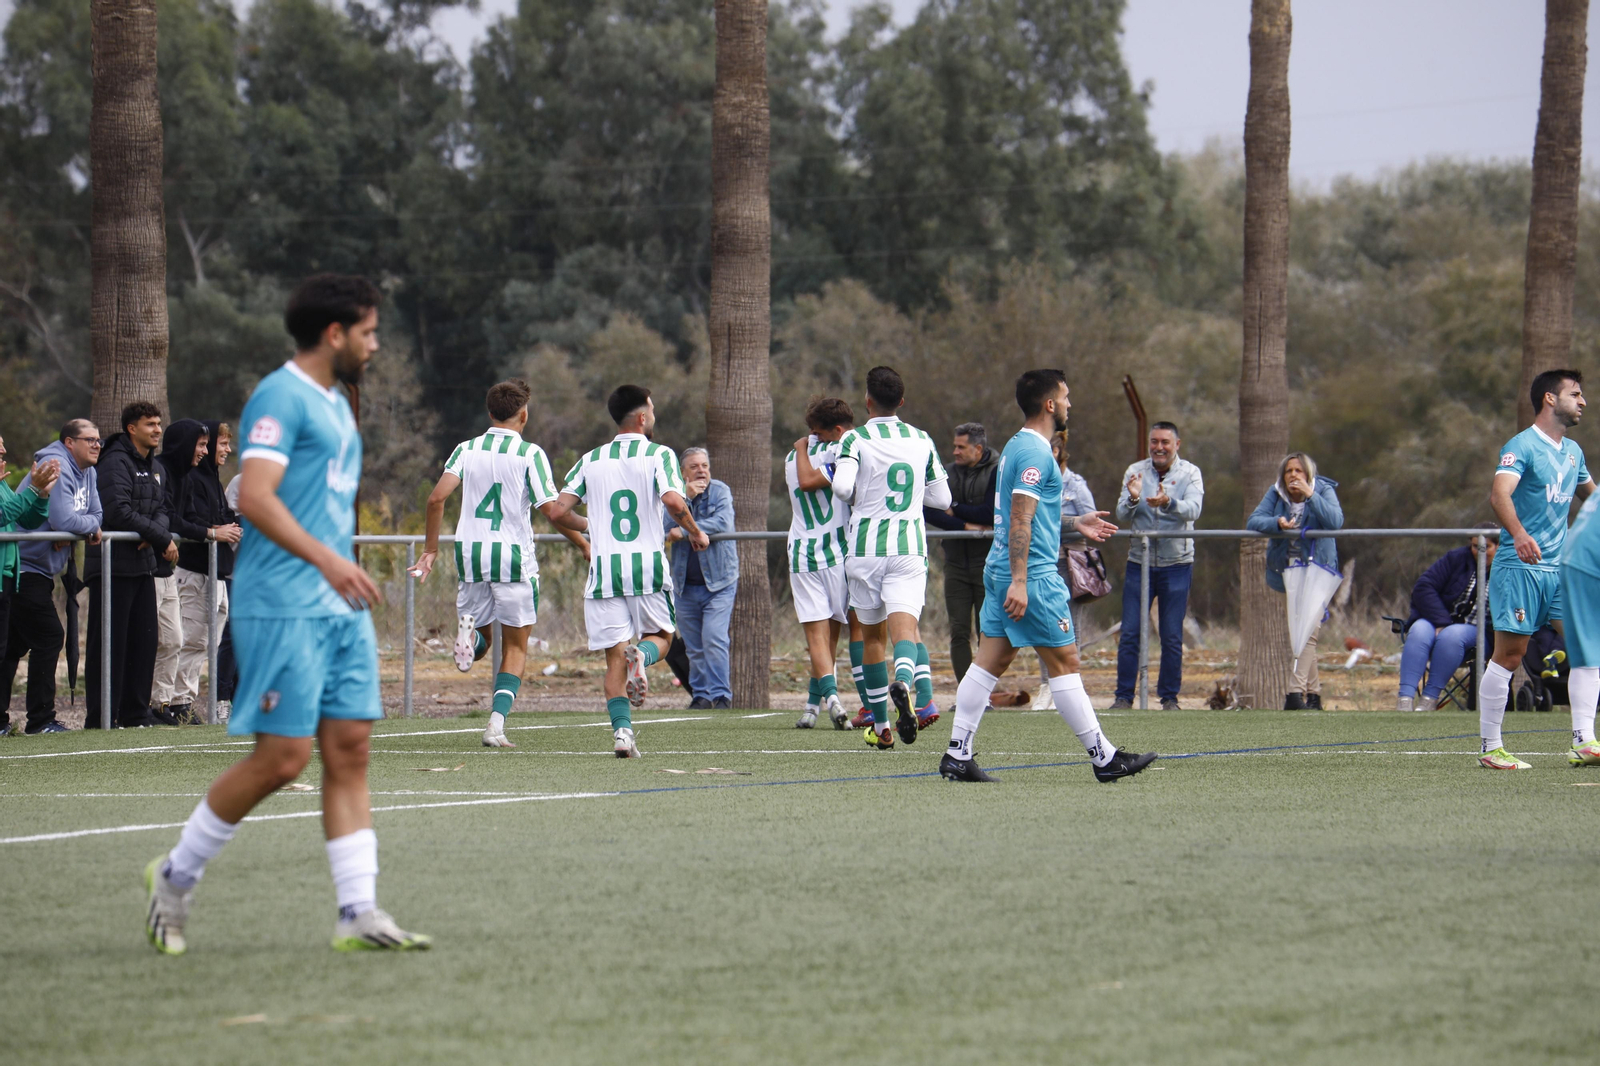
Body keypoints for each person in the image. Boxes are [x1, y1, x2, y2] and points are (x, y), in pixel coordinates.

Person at [143, 275, 430, 955]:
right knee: (282, 758)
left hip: (338, 608)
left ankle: (358, 912)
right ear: (335, 335)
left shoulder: (336, 402)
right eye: (369, 332)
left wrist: (340, 570)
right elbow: (261, 498)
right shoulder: (280, 395)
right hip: (284, 603)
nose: (375, 344)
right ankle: (174, 880)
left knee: (350, 749)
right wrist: (329, 561)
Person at [940, 369, 1156, 784]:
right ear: (1050, 404)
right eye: (1066, 396)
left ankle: (957, 754)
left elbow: (1029, 516)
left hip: (1000, 571)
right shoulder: (1037, 453)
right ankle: (1104, 758)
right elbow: (1020, 517)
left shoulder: (1016, 447)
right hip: (1033, 577)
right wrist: (1021, 582)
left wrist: (1076, 524)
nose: (1070, 404)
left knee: (990, 661)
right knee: (1066, 662)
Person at [414, 379, 589, 748]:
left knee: (485, 636)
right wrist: (586, 533)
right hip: (513, 560)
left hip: (471, 556)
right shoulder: (530, 454)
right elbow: (552, 511)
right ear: (523, 414)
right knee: (515, 647)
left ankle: (468, 636)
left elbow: (435, 499)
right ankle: (495, 725)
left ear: (490, 412)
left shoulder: (466, 449)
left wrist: (430, 550)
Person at [542, 385, 709, 758]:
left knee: (613, 658)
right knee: (663, 637)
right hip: (646, 567)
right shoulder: (659, 454)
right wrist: (696, 532)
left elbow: (556, 511)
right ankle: (644, 658)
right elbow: (671, 499)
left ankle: (622, 734)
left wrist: (590, 525)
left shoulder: (590, 459)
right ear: (643, 417)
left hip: (604, 573)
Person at [1477, 369, 1594, 770]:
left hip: (1559, 572)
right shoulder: (1521, 446)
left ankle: (1584, 740)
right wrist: (1520, 534)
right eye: (1575, 394)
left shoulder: (1574, 452)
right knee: (1510, 656)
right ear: (1549, 398)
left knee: (1588, 647)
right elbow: (1499, 495)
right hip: (1520, 567)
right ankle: (1490, 748)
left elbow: (1592, 499)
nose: (1582, 402)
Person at [831, 365, 950, 749]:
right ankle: (905, 679)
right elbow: (943, 499)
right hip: (908, 547)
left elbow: (843, 487)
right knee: (905, 630)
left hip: (865, 548)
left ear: (867, 401)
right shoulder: (921, 439)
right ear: (901, 400)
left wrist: (862, 494)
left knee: (872, 640)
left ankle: (882, 728)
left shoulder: (855, 439)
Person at [4, 421, 97, 735]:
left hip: (40, 571)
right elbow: (61, 518)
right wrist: (73, 529)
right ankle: (40, 720)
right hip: (24, 567)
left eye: (100, 440)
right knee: (48, 636)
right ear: (70, 442)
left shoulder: (89, 471)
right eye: (90, 440)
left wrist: (75, 530)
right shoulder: (52, 464)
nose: (97, 445)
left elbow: (97, 516)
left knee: (13, 645)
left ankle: (4, 721)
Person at [87, 402, 173, 730]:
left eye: (159, 423)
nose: (157, 429)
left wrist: (156, 534)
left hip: (142, 565)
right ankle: (101, 719)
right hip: (111, 567)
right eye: (150, 424)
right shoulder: (114, 462)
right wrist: (159, 536)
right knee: (110, 645)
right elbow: (117, 511)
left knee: (145, 640)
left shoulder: (155, 467)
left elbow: (163, 508)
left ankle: (136, 715)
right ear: (131, 429)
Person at [1112, 421, 1204, 711]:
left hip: (1177, 564)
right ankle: (1124, 697)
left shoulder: (1190, 473)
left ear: (1177, 444)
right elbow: (1121, 512)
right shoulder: (1134, 470)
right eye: (1154, 442)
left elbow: (1194, 509)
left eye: (1165, 442)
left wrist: (1168, 502)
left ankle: (1169, 698)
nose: (1159, 447)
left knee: (1171, 634)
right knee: (1129, 632)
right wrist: (1135, 496)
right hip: (1139, 562)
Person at [1245, 452, 1344, 709]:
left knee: (1308, 631)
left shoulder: (1323, 489)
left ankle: (1293, 693)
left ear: (1309, 474)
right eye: (1289, 471)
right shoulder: (1276, 493)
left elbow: (1335, 521)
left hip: (1319, 567)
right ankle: (1314, 696)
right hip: (1290, 568)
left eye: (1299, 471)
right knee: (1301, 631)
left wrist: (1312, 495)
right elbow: (1253, 521)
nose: (1293, 476)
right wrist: (1276, 522)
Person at [787, 397, 858, 729]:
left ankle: (813, 706)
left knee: (818, 638)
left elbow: (802, 480)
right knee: (829, 636)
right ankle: (834, 701)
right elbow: (812, 482)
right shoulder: (841, 454)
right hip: (836, 551)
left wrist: (801, 448)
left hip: (802, 551)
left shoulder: (792, 456)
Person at [173, 422, 243, 724]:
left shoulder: (213, 479)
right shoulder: (192, 478)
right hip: (196, 571)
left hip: (218, 574)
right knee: (190, 639)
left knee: (207, 643)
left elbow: (226, 518)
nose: (226, 450)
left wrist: (222, 527)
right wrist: (215, 531)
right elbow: (193, 520)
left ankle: (189, 703)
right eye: (220, 444)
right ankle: (176, 703)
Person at [923, 422, 998, 682]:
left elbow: (990, 512)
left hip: (987, 564)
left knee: (987, 630)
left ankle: (983, 691)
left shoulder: (997, 471)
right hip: (955, 563)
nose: (954, 451)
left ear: (978, 449)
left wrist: (953, 507)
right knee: (958, 631)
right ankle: (965, 691)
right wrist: (964, 524)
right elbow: (929, 509)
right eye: (954, 446)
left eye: (960, 447)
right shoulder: (947, 473)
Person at [665, 447, 738, 709]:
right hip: (684, 585)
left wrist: (685, 531)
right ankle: (701, 695)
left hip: (719, 582)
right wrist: (685, 499)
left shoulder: (720, 491)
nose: (701, 471)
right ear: (683, 472)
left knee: (714, 637)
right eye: (694, 466)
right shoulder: (673, 495)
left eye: (705, 465)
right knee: (694, 645)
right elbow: (663, 526)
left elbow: (722, 521)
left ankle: (721, 697)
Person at [1396, 530, 1496, 712]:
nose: (1479, 551)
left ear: (1498, 547)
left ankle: (1429, 700)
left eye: (1486, 547)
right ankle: (1405, 699)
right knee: (1418, 629)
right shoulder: (1456, 558)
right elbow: (1424, 586)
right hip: (1439, 621)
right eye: (1475, 546)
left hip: (1480, 633)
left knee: (1452, 635)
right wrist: (1441, 621)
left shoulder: (1507, 567)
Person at [157, 419, 216, 725]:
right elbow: (169, 518)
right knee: (167, 640)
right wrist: (209, 532)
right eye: (201, 444)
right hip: (155, 569)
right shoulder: (160, 470)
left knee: (174, 640)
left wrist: (210, 529)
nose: (204, 452)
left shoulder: (188, 477)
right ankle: (157, 703)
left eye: (207, 444)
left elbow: (188, 518)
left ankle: (166, 703)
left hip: (165, 570)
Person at [0, 434, 59, 736]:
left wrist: (43, 495)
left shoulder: (2, 484)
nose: (4, 451)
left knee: (6, 650)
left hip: (9, 577)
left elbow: (27, 520)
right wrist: (32, 488)